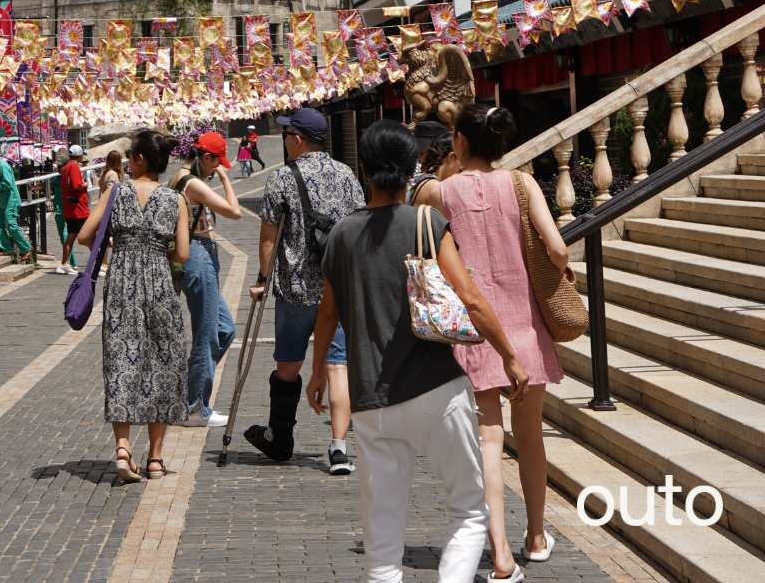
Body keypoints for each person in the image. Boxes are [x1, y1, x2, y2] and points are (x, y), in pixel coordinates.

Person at [307, 120, 529, 583]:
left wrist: (316, 373)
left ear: (363, 168)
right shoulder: (425, 222)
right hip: (435, 390)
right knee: (468, 510)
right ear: (413, 167)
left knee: (382, 539)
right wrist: (508, 355)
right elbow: (468, 296)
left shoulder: (342, 234)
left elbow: (327, 314)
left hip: (371, 402)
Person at [428, 104, 568, 579]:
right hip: (524, 324)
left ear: (459, 142)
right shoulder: (524, 185)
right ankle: (535, 535)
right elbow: (558, 248)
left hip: (473, 327)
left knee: (487, 440)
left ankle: (500, 549)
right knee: (530, 436)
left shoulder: (440, 192)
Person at [244, 108, 364, 475]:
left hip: (295, 288)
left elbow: (268, 236)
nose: (283, 140)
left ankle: (280, 438)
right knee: (337, 367)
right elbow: (360, 224)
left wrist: (264, 278)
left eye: (286, 134)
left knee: (288, 365)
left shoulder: (282, 177)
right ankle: (340, 448)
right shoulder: (347, 174)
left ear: (297, 138)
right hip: (338, 288)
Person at [78, 130, 190, 481]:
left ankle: (123, 447)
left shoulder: (116, 191)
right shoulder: (176, 200)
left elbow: (84, 236)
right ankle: (155, 458)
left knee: (121, 357)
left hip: (122, 285)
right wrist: (157, 253)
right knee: (164, 361)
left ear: (140, 159)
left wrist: (119, 247)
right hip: (159, 284)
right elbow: (183, 254)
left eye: (131, 156)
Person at [168, 131, 241, 428]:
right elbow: (235, 211)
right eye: (215, 163)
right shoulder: (192, 182)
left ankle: (191, 397)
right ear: (205, 157)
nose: (217, 169)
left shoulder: (181, 178)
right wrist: (225, 181)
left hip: (199, 256)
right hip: (198, 257)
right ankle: (196, 407)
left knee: (223, 329)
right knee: (207, 333)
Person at [0, 144, 31, 263]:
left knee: (11, 225)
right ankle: (7, 249)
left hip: (11, 200)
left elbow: (8, 184)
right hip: (5, 200)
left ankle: (26, 248)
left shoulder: (2, 166)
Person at [59, 144, 90, 274]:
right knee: (89, 235)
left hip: (69, 208)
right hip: (78, 209)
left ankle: (64, 263)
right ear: (80, 156)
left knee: (71, 236)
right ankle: (101, 262)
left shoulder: (66, 167)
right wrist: (86, 185)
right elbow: (77, 185)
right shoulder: (74, 167)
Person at [409, 132, 463, 206]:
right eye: (461, 161)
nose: (461, 168)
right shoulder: (435, 187)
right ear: (451, 157)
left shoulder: (422, 178)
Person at [96, 149, 123, 276]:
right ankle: (104, 264)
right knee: (106, 237)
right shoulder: (112, 174)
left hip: (103, 207)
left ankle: (101, 262)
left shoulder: (105, 172)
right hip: (109, 209)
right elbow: (111, 191)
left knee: (104, 236)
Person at [52, 146, 78, 272]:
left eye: (60, 166)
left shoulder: (70, 177)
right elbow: (45, 185)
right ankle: (69, 261)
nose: (58, 169)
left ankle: (70, 261)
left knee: (67, 236)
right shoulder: (56, 179)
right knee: (64, 237)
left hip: (69, 211)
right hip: (59, 211)